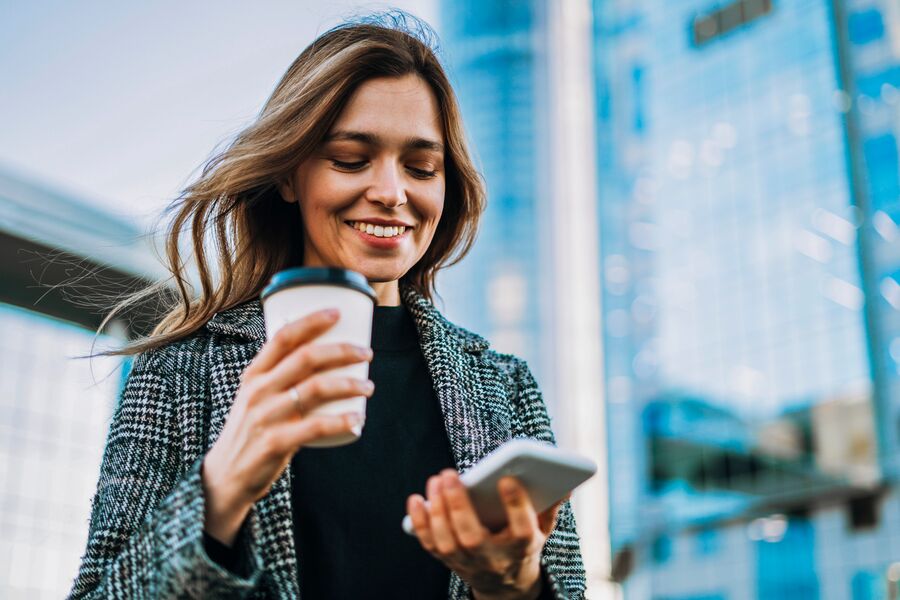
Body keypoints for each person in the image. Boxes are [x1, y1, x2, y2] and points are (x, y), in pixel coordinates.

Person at [68, 12, 586, 600]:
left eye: (421, 168)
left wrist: (513, 586)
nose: (392, 193)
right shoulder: (180, 371)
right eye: (350, 158)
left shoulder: (506, 387)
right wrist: (222, 488)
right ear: (292, 175)